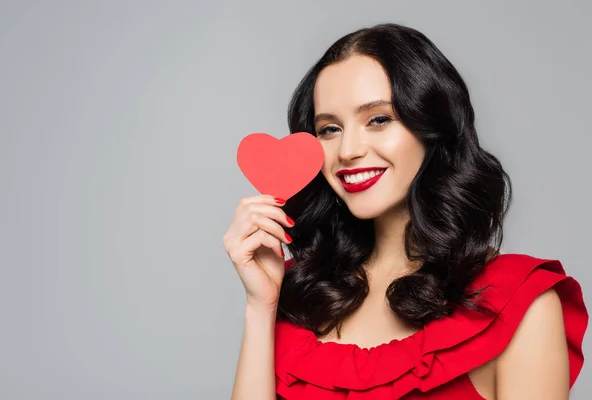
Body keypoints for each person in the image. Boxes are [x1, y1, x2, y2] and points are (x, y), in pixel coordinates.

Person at [224, 23, 588, 400]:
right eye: (329, 129)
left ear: (432, 128)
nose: (348, 150)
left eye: (378, 119)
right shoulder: (301, 292)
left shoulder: (519, 301)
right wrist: (260, 306)